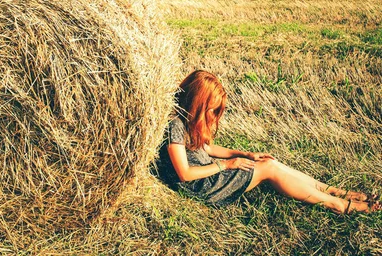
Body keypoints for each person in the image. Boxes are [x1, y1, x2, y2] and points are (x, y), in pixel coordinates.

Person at [157, 70, 380, 214]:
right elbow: (184, 174)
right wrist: (226, 165)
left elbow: (207, 148)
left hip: (209, 175)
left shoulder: (187, 120)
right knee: (270, 169)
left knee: (270, 162)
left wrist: (244, 154)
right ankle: (338, 204)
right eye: (212, 108)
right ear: (197, 102)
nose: (214, 114)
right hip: (200, 187)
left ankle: (335, 192)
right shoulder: (174, 125)